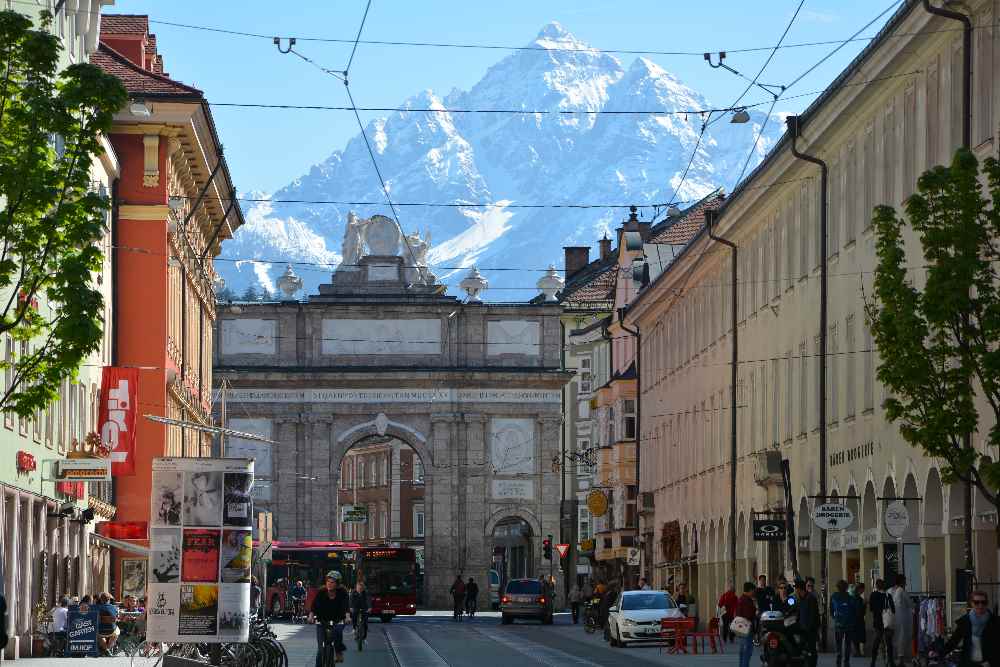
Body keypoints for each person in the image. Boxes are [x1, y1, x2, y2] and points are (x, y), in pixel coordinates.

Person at [934, 590, 1000, 667]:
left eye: (983, 602)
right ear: (972, 603)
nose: (980, 605)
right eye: (976, 602)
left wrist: (991, 661)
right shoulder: (965, 622)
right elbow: (954, 641)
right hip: (968, 663)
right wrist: (939, 653)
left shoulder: (995, 622)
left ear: (987, 603)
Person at [310, 570, 350, 665]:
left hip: (337, 620)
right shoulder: (321, 592)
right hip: (322, 621)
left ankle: (338, 651)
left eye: (332, 582)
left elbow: (346, 607)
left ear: (337, 584)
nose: (329, 584)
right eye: (328, 582)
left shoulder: (343, 592)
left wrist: (347, 617)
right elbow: (314, 607)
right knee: (320, 650)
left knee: (338, 631)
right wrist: (311, 616)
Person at [870, 579, 896, 667]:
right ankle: (890, 661)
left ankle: (873, 661)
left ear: (876, 586)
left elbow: (871, 609)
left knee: (876, 642)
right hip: (887, 622)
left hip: (878, 622)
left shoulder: (873, 595)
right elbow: (893, 609)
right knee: (888, 643)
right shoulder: (888, 595)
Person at [796, 579, 820, 667]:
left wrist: (809, 628)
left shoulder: (811, 598)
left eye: (797, 589)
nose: (796, 591)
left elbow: (813, 616)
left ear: (800, 589)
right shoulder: (802, 599)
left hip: (810, 630)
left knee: (812, 651)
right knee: (804, 651)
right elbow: (799, 613)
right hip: (803, 630)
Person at [831, 580, 856, 667]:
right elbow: (854, 611)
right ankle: (846, 661)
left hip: (838, 624)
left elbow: (831, 610)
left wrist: (835, 618)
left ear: (837, 587)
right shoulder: (850, 597)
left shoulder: (834, 596)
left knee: (838, 643)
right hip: (849, 624)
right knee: (847, 644)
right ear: (846, 588)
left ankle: (838, 660)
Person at [889, 575, 912, 667]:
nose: (905, 583)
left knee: (892, 638)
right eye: (905, 581)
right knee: (901, 638)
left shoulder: (889, 590)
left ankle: (890, 659)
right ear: (902, 581)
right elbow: (910, 603)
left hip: (890, 619)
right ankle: (900, 661)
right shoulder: (902, 591)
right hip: (901, 619)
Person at [737, 582, 758, 667]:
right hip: (747, 628)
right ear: (750, 590)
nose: (754, 592)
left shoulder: (741, 599)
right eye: (753, 590)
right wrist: (755, 612)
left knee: (742, 651)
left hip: (741, 628)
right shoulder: (747, 600)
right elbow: (748, 615)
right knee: (747, 651)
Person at [853, 583, 868, 657]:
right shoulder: (858, 599)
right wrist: (864, 604)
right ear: (860, 589)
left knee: (856, 636)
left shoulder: (854, 597)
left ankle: (857, 652)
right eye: (863, 589)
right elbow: (860, 611)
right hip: (858, 620)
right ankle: (857, 652)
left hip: (855, 620)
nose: (863, 591)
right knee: (858, 636)